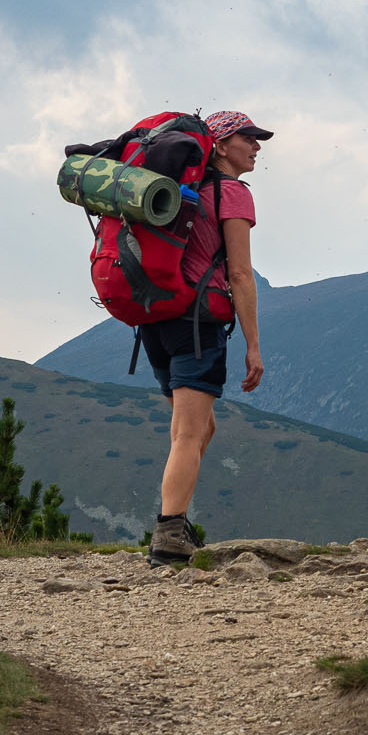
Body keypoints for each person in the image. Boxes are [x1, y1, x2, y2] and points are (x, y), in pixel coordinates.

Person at [145, 109, 271, 567]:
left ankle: (174, 522)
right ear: (218, 145)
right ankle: (168, 536)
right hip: (198, 326)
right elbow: (239, 272)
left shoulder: (179, 190)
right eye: (248, 138)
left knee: (198, 429)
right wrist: (253, 345)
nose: (257, 147)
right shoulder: (231, 194)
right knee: (189, 433)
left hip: (156, 321)